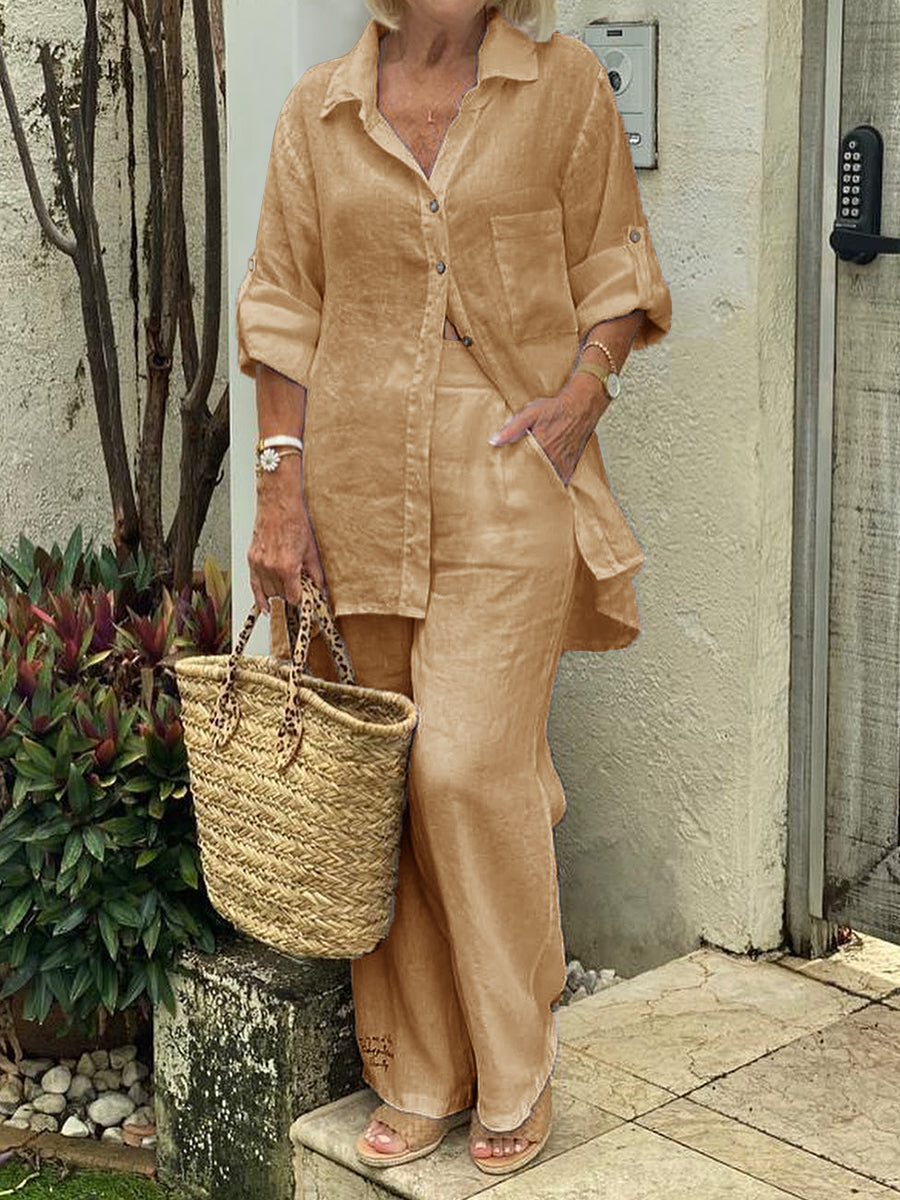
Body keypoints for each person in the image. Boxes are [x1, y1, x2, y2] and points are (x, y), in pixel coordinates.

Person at [235, 0, 671, 1178]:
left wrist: (582, 396)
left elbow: (617, 264)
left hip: (506, 472)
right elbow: (283, 307)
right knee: (386, 783)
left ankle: (517, 1064)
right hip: (352, 482)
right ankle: (423, 1069)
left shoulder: (561, 85)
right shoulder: (320, 111)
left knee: (467, 766)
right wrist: (280, 490)